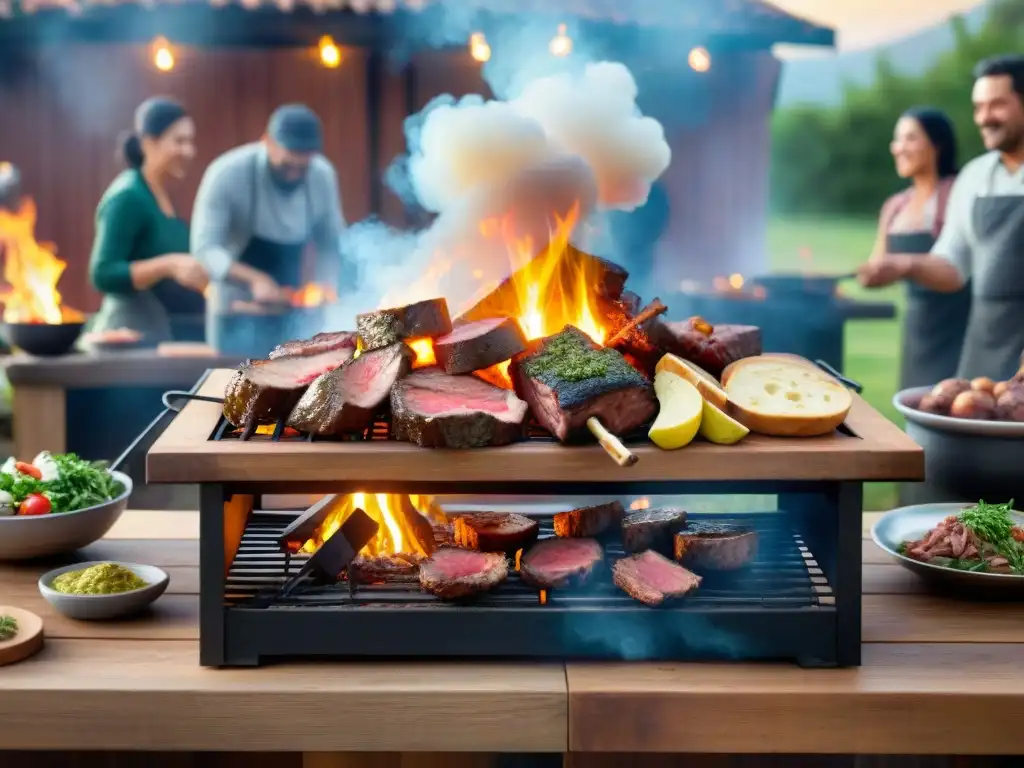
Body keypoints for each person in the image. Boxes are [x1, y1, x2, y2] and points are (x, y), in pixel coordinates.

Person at [858, 55, 1024, 382]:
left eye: (997, 105)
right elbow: (953, 265)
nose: (984, 118)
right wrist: (905, 265)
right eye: (978, 107)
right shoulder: (975, 177)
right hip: (983, 357)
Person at [190, 104, 345, 320]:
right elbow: (205, 249)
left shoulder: (322, 175)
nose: (293, 175)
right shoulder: (227, 173)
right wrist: (254, 279)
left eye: (302, 169)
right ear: (267, 142)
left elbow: (331, 243)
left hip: (293, 308)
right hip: (235, 307)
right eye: (286, 166)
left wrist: (325, 285)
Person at [863, 108, 969, 389]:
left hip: (958, 325)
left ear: (937, 144)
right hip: (917, 327)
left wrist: (903, 266)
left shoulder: (957, 192)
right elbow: (878, 264)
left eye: (910, 138)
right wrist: (868, 275)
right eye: (897, 140)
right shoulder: (895, 206)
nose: (899, 148)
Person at [88, 97, 208, 344]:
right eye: (179, 141)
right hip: (129, 343)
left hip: (160, 338)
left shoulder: (160, 194)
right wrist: (169, 264)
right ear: (148, 144)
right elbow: (103, 273)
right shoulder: (128, 196)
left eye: (190, 141)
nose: (189, 151)